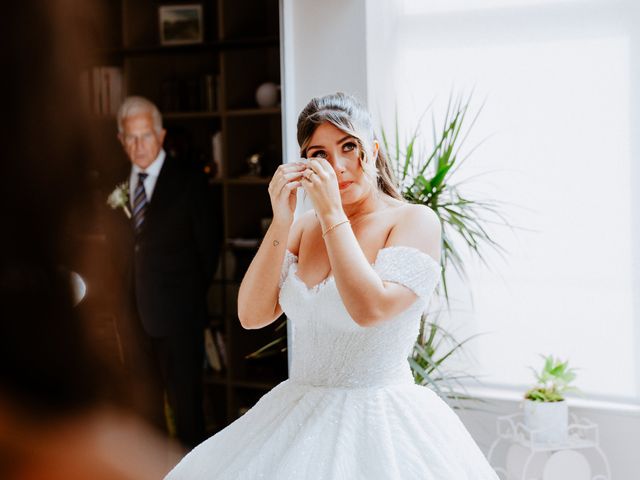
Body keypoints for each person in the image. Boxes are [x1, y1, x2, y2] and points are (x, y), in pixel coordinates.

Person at [164, 92, 498, 478]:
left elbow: (369, 310)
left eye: (349, 146)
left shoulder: (413, 221)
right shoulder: (303, 227)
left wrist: (332, 214)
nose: (337, 166)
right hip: (296, 415)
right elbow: (251, 315)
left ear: (372, 151)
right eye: (319, 154)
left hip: (380, 425)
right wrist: (281, 219)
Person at [105, 96, 219, 449]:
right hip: (130, 314)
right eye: (131, 138)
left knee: (187, 412)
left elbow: (209, 249)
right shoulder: (114, 185)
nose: (139, 146)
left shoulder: (189, 181)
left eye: (146, 136)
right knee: (144, 412)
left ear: (161, 135)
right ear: (122, 140)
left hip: (179, 317)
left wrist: (186, 301)